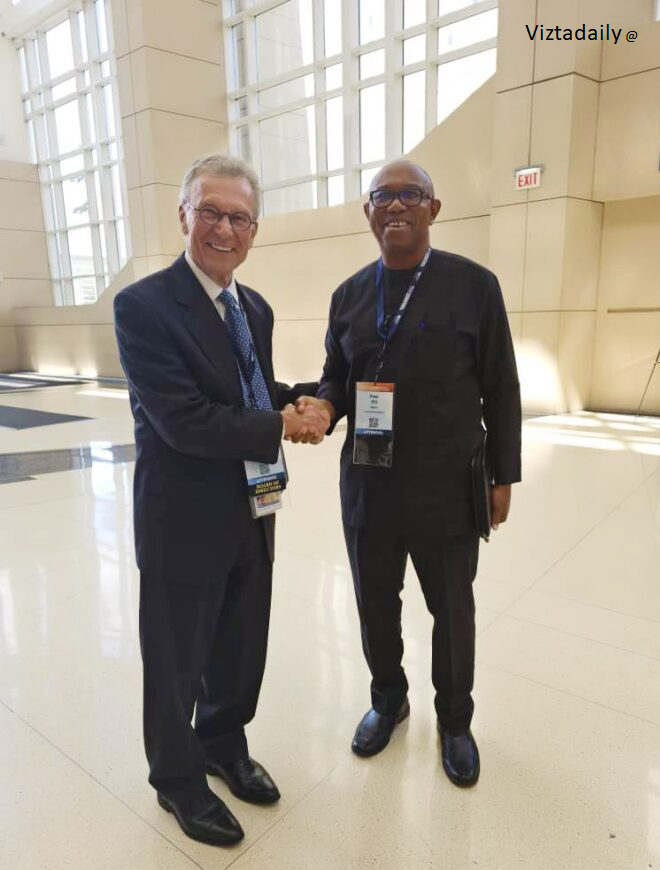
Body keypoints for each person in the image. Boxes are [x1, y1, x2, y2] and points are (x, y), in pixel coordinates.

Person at [114, 154, 329, 847]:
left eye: (238, 216)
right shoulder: (144, 306)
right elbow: (184, 419)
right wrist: (280, 423)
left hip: (250, 505)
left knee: (239, 642)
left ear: (255, 229)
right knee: (177, 660)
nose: (223, 227)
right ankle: (178, 778)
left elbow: (251, 390)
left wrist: (299, 399)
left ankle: (222, 744)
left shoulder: (253, 306)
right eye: (209, 210)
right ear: (183, 215)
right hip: (181, 515)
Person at [297, 160, 521, 787]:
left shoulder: (475, 286)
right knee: (374, 604)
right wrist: (324, 404)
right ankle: (388, 699)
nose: (396, 206)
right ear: (368, 212)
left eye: (410, 195)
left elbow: (502, 385)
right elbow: (337, 379)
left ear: (433, 208)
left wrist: (503, 474)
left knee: (451, 609)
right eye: (383, 197)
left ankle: (454, 719)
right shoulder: (347, 296)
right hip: (369, 484)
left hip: (449, 485)